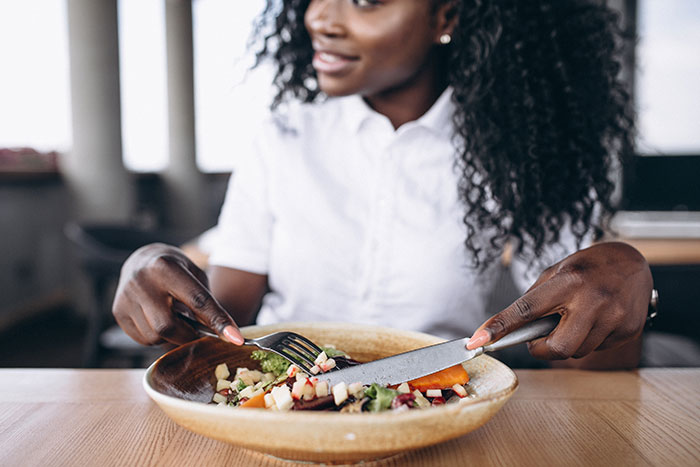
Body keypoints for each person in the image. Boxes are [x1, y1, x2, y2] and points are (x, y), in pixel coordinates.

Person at [113, 0, 653, 369]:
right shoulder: (284, 138)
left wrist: (628, 287)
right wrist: (162, 287)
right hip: (278, 404)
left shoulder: (525, 153)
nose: (320, 16)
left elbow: (584, 346)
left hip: (441, 409)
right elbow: (228, 317)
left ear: (446, 13)